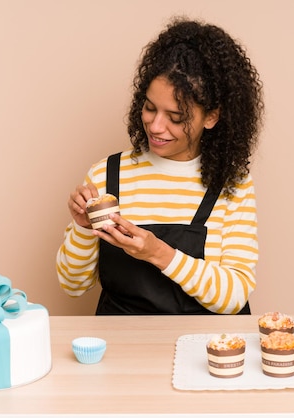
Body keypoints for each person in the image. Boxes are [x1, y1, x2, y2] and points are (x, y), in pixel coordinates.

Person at [56, 17, 264, 315]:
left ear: (211, 117)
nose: (155, 126)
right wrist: (82, 227)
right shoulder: (107, 174)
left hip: (205, 351)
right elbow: (71, 285)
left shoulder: (232, 184)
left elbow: (233, 297)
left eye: (175, 117)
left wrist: (159, 254)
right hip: (123, 349)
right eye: (150, 108)